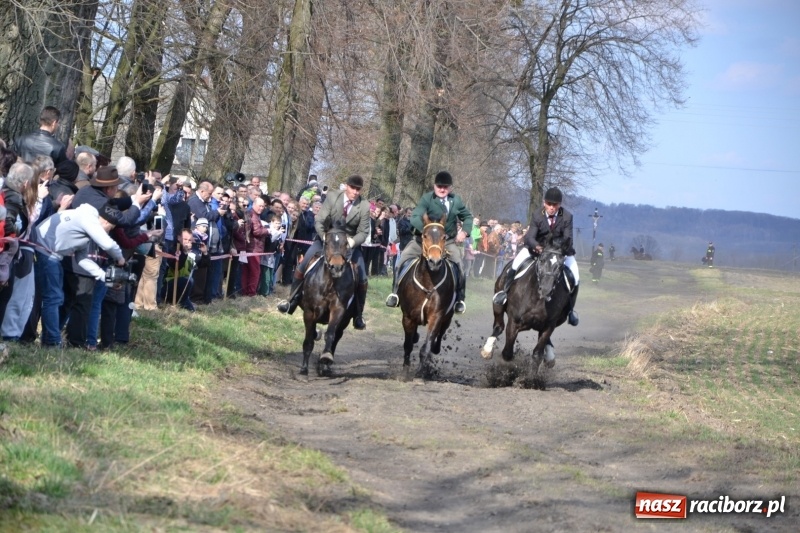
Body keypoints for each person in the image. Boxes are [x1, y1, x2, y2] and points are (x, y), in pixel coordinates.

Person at [278, 174, 370, 330]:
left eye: (358, 189)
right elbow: (320, 220)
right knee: (304, 263)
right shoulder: (333, 197)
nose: (355, 192)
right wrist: (325, 238)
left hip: (350, 244)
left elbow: (363, 231)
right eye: (353, 188)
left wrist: (352, 242)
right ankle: (291, 300)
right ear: (347, 186)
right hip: (326, 240)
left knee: (362, 277)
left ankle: (358, 315)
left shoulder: (364, 205)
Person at [33, 202, 125, 347]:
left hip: (50, 253)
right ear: (106, 221)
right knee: (53, 298)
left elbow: (82, 259)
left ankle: (49, 339)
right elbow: (108, 245)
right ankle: (51, 342)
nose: (107, 232)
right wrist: (120, 258)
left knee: (56, 298)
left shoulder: (84, 229)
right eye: (110, 228)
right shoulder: (87, 219)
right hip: (44, 250)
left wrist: (104, 276)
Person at [385, 171, 473, 314]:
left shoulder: (456, 200)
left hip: (447, 242)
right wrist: (427, 232)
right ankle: (395, 293)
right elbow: (415, 217)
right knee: (402, 259)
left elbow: (468, 217)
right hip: (423, 240)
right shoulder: (427, 199)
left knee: (459, 265)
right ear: (434, 186)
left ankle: (459, 300)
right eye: (439, 186)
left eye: (445, 187)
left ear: (450, 188)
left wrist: (464, 231)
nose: (442, 189)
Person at [491, 186, 580, 326]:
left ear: (559, 205)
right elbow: (529, 237)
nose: (551, 207)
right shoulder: (538, 214)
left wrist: (557, 250)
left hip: (558, 252)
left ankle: (570, 310)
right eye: (549, 204)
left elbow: (568, 239)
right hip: (537, 249)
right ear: (544, 202)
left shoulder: (567, 216)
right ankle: (504, 292)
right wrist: (538, 247)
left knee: (575, 276)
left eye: (554, 205)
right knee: (514, 265)